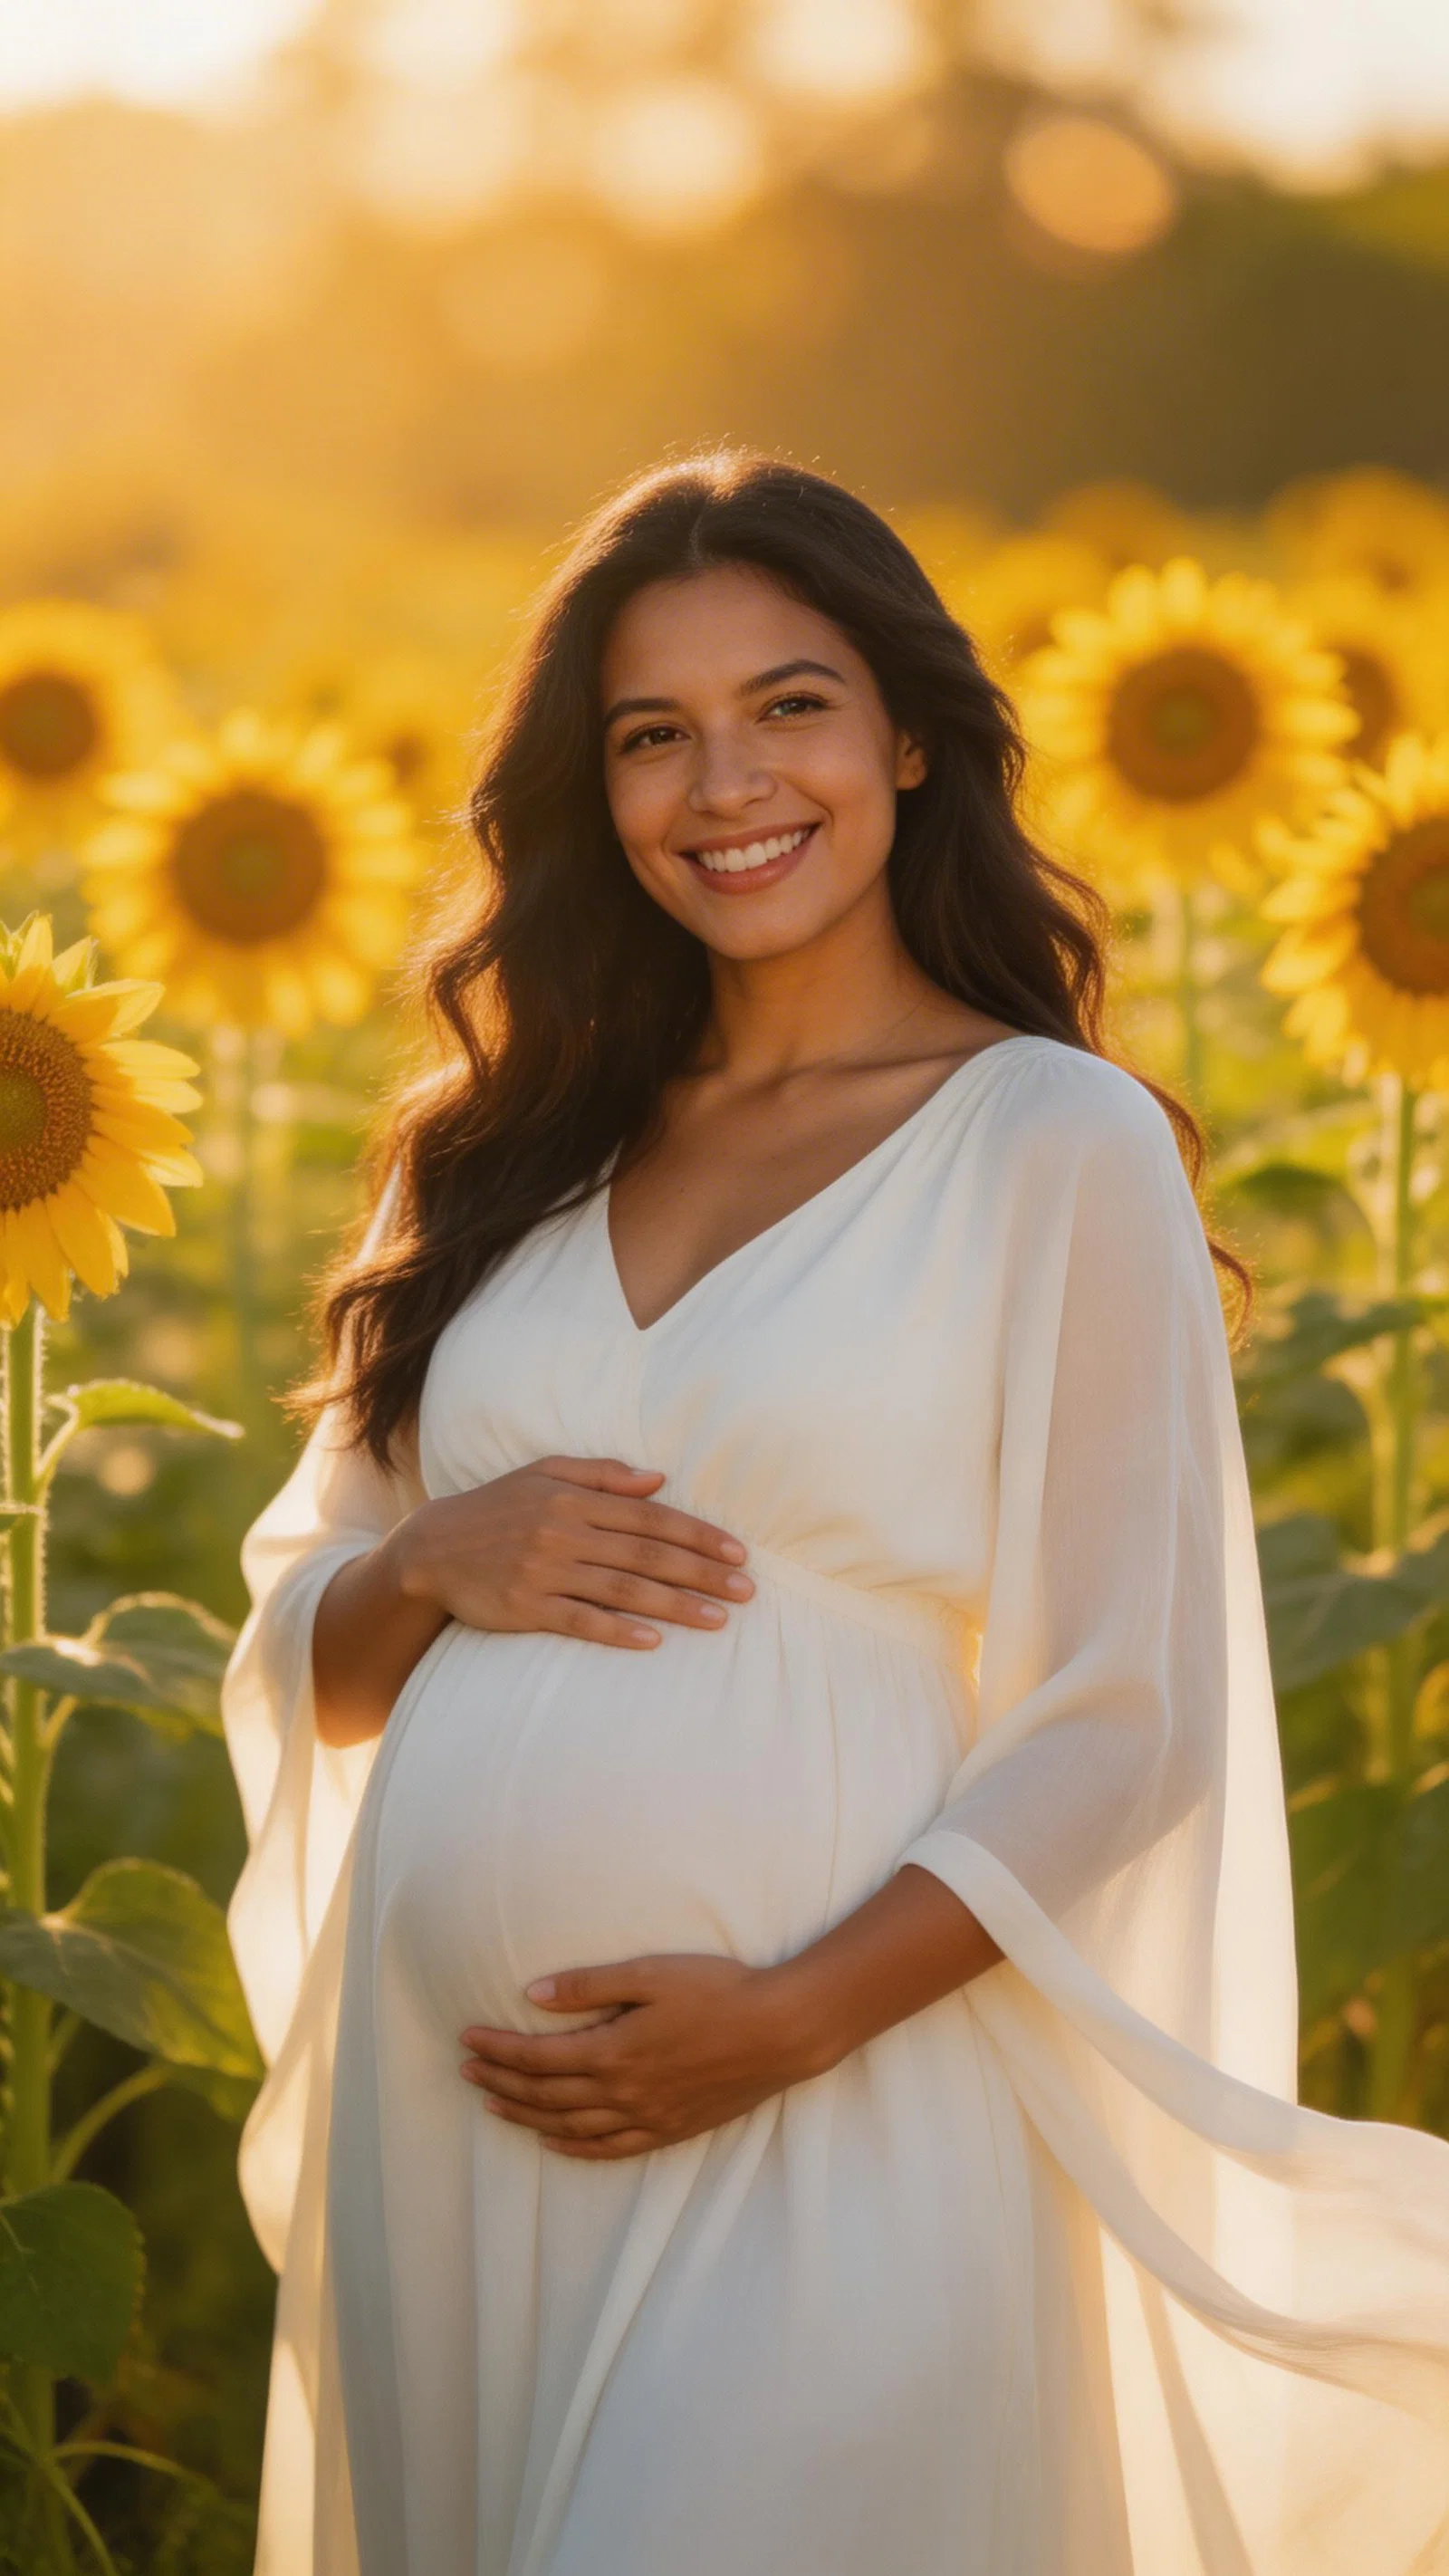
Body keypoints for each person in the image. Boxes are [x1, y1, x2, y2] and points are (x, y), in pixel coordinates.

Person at [222, 449, 1449, 2576]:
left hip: (844, 2093)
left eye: (786, 704)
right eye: (649, 734)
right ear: (587, 793)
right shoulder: (499, 1158)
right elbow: (313, 1663)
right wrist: (427, 1563)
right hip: (459, 2139)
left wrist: (786, 2018)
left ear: (901, 732)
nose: (723, 783)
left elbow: (1116, 1713)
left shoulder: (1041, 1139)